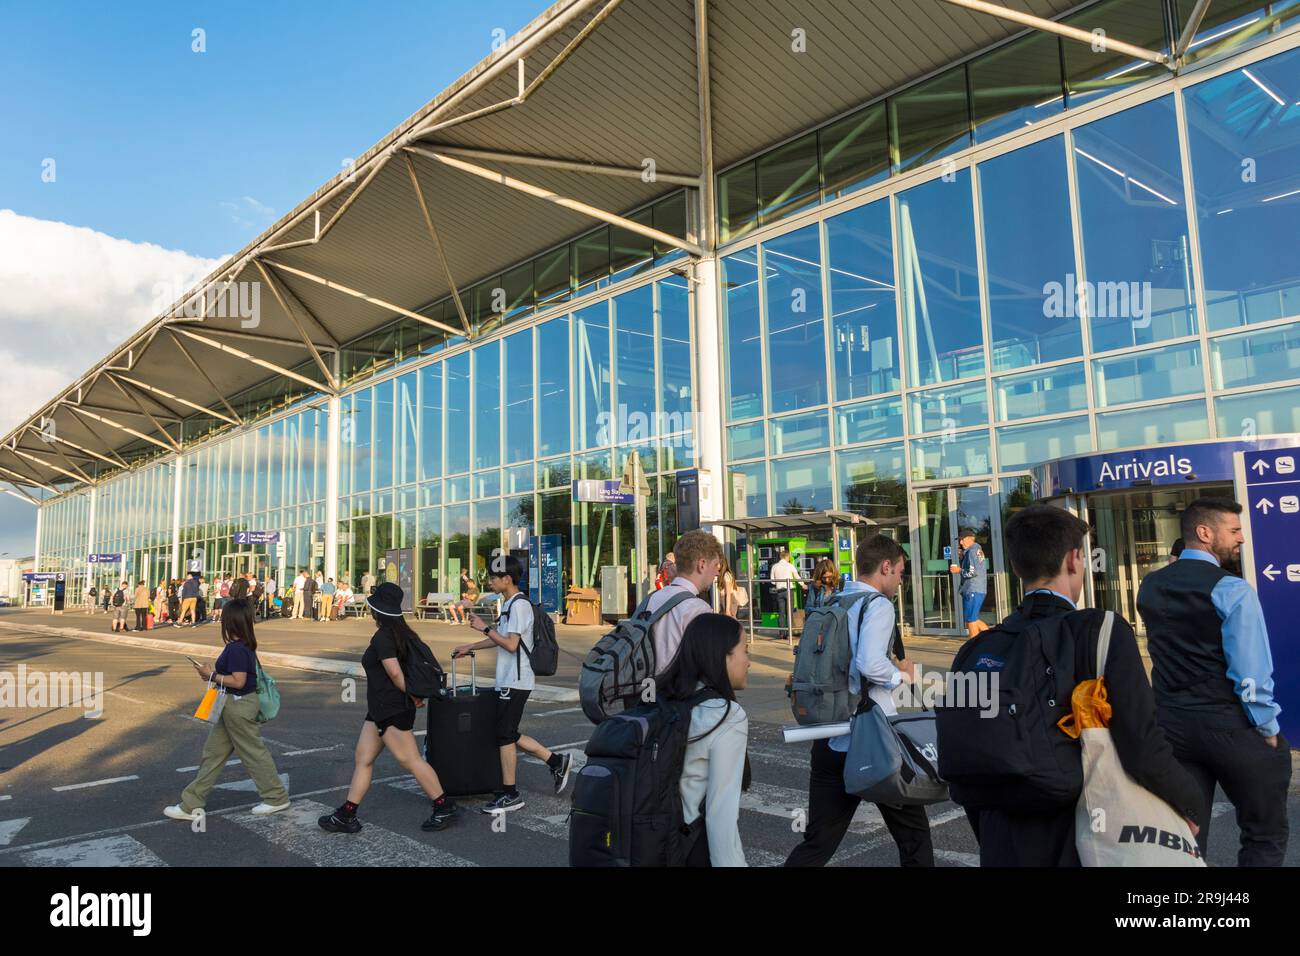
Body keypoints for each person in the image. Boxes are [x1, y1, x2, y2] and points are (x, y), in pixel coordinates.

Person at [957, 504, 1202, 867]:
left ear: (1015, 567)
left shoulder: (975, 649)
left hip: (1002, 838)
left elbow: (966, 760)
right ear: (1073, 560)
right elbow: (1142, 740)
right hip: (1082, 832)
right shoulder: (1101, 631)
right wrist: (1189, 801)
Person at [1138, 497, 1290, 867]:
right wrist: (1266, 725)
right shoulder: (1233, 590)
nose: (1241, 539)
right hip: (1231, 726)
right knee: (1264, 835)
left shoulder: (1150, 586)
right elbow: (1250, 672)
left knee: (1183, 838)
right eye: (1234, 530)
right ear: (1205, 533)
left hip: (1173, 727)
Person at [785, 535, 932, 867]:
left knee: (819, 842)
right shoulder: (878, 605)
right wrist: (902, 676)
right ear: (885, 567)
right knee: (914, 839)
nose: (899, 580)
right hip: (872, 742)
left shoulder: (836, 600)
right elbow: (868, 663)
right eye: (899, 572)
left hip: (828, 735)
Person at [319, 582, 459, 834]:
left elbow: (395, 673)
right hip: (380, 709)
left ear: (377, 610)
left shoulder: (383, 636)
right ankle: (346, 814)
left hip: (391, 708)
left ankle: (444, 805)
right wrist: (413, 694)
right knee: (363, 758)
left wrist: (411, 694)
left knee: (411, 760)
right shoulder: (403, 632)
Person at [453, 555, 572, 814]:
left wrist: (484, 628)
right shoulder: (508, 604)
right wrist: (470, 647)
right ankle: (556, 761)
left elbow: (510, 644)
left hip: (516, 680)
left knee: (504, 734)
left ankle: (511, 794)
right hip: (508, 679)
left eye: (494, 579)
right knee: (507, 731)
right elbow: (501, 638)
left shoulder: (519, 606)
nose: (490, 583)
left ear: (508, 579)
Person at [164, 599, 291, 821]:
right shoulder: (242, 646)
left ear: (229, 622)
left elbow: (239, 681)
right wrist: (213, 674)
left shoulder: (237, 649)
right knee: (213, 754)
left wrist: (210, 675)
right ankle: (191, 804)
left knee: (253, 753)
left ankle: (276, 797)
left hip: (238, 705)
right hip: (233, 704)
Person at [658, 612, 751, 867]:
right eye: (745, 650)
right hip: (691, 847)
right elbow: (720, 814)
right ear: (723, 656)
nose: (748, 662)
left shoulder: (664, 699)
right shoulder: (726, 715)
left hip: (656, 842)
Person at [645, 530, 721, 676]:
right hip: (679, 690)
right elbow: (706, 664)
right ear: (702, 564)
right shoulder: (698, 609)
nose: (718, 572)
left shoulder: (652, 598)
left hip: (650, 689)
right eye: (716, 565)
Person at [950, 529, 987, 638]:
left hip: (973, 589)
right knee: (972, 618)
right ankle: (993, 639)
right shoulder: (975, 550)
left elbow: (973, 572)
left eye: (962, 540)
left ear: (969, 539)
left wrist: (958, 570)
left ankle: (973, 646)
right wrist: (963, 557)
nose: (960, 543)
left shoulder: (972, 551)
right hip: (976, 589)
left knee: (971, 620)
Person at [768, 548, 805, 633]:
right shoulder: (790, 565)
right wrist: (803, 585)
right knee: (789, 613)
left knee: (781, 613)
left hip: (779, 592)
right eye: (789, 557)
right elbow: (797, 577)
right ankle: (789, 633)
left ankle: (782, 633)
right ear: (787, 557)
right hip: (789, 591)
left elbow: (773, 581)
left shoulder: (774, 566)